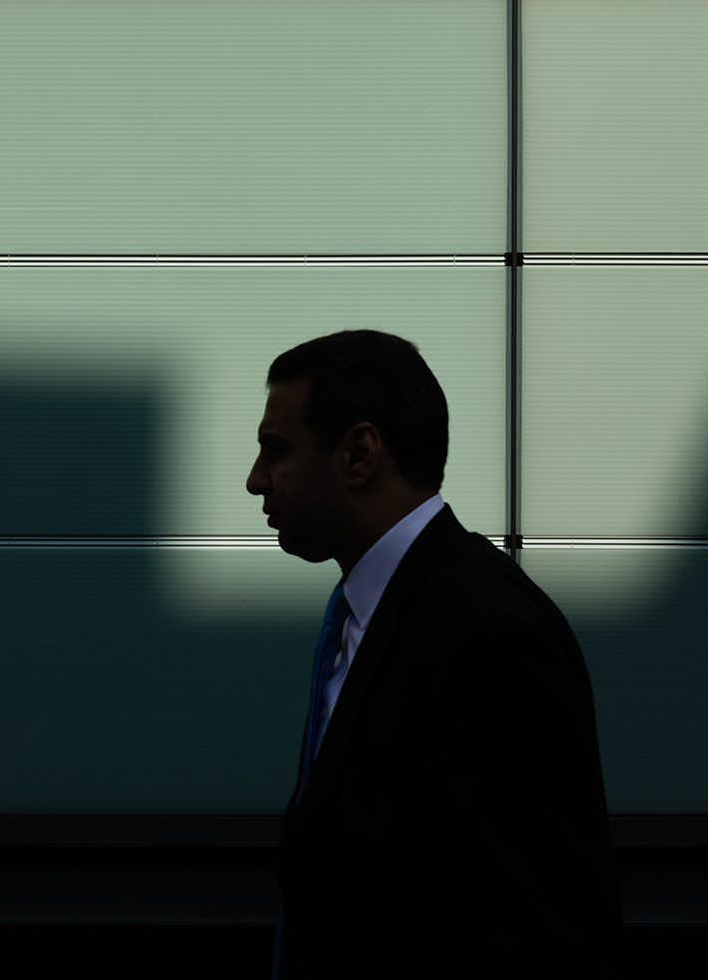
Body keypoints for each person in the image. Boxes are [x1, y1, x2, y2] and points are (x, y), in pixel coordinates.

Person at [246, 330, 623, 978]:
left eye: (275, 451)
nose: (256, 480)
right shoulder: (385, 613)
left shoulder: (481, 632)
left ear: (358, 454)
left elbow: (542, 934)